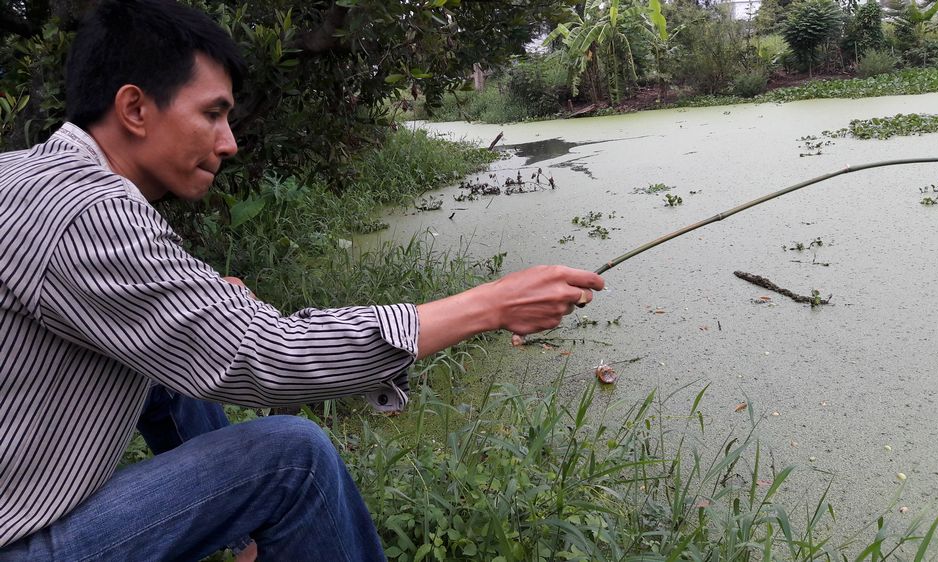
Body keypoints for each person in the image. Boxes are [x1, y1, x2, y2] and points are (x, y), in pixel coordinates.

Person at [0, 0, 604, 560]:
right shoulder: (87, 210)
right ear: (134, 109)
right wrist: (491, 304)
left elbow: (163, 323)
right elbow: (263, 354)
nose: (229, 143)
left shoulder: (28, 176)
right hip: (20, 538)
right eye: (212, 114)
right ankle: (262, 521)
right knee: (293, 460)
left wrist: (205, 308)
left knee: (175, 358)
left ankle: (246, 536)